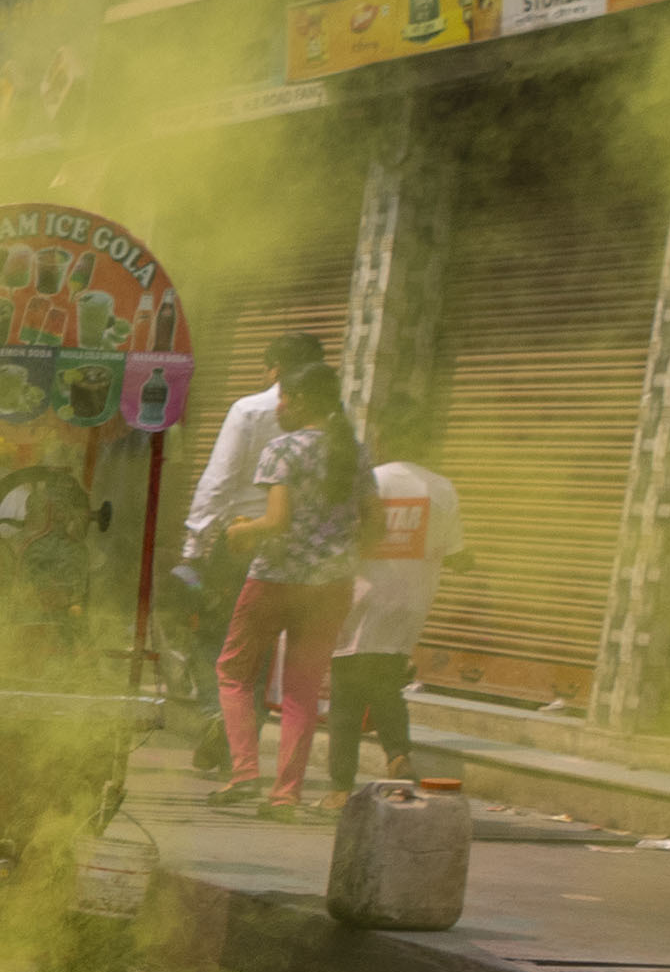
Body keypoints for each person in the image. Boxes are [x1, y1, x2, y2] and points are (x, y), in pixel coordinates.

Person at [184, 336, 365, 813]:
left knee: (234, 672)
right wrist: (338, 556)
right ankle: (286, 794)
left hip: (276, 578)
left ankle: (243, 772)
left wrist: (244, 531)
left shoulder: (283, 450)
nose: (278, 405)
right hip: (332, 585)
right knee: (302, 688)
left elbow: (277, 521)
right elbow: (377, 525)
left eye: (284, 396)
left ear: (302, 400)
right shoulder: (355, 453)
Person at [324, 413, 462, 791]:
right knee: (386, 683)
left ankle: (339, 788)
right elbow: (454, 553)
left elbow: (343, 536)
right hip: (409, 604)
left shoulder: (371, 481)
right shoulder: (443, 489)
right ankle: (398, 755)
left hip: (361, 599)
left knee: (346, 696)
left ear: (382, 439)